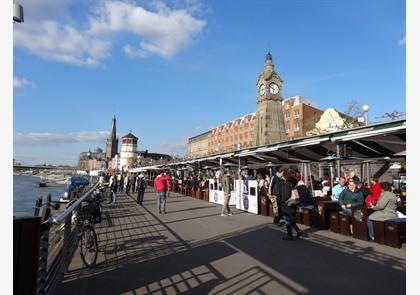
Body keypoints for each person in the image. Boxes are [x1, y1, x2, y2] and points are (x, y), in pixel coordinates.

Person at [280, 171, 303, 240]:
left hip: (287, 203)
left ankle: (291, 234)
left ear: (284, 176)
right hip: (291, 203)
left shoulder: (287, 184)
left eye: (281, 176)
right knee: (289, 218)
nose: (281, 177)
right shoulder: (292, 183)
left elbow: (286, 195)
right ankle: (296, 231)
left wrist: (282, 200)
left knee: (287, 218)